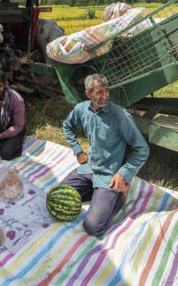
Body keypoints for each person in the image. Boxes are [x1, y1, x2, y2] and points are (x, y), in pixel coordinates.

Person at [59, 74, 149, 237]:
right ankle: (98, 193)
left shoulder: (120, 115)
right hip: (90, 167)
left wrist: (123, 174)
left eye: (107, 90)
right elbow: (67, 125)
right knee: (59, 198)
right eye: (99, 92)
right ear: (88, 94)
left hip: (109, 174)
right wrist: (77, 150)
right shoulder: (82, 109)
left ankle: (119, 196)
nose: (105, 95)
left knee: (92, 227)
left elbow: (142, 149)